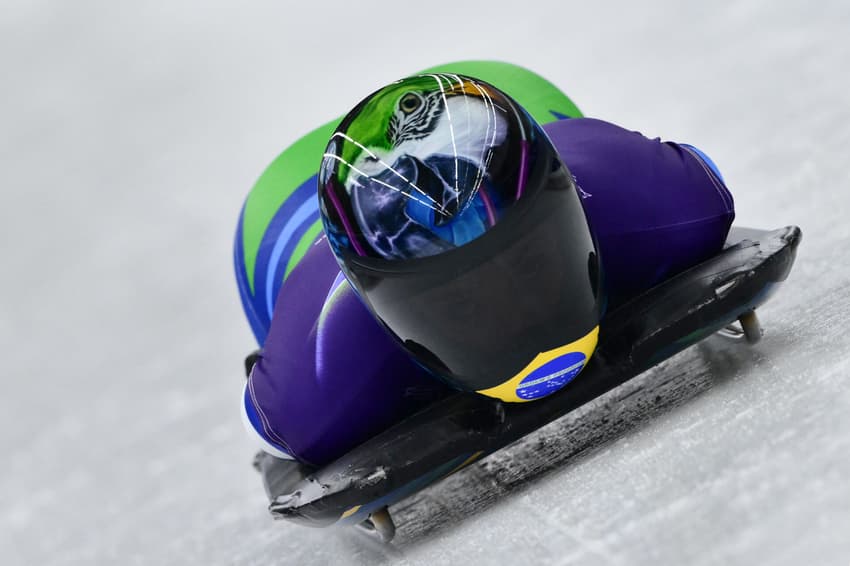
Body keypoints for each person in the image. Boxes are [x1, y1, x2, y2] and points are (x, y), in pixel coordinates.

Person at [235, 62, 734, 466]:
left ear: (573, 211)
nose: (515, 312)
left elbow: (269, 425)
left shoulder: (659, 201)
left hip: (499, 110)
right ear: (376, 306)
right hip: (282, 214)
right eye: (461, 302)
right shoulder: (320, 381)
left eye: (534, 263)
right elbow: (274, 422)